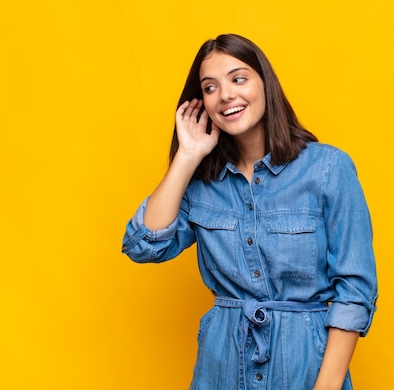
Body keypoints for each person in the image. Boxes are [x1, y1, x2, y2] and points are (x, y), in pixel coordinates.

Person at [122, 33, 378, 390]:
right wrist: (187, 156)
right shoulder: (202, 183)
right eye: (210, 88)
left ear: (265, 84)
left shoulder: (328, 169)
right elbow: (144, 245)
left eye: (238, 78)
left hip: (305, 368)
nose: (225, 94)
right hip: (221, 368)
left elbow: (355, 290)